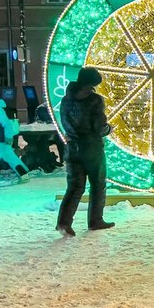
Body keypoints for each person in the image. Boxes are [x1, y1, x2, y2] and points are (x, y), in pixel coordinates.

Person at [56, 67, 114, 237]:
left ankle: (63, 222)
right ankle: (96, 220)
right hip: (92, 149)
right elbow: (99, 127)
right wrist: (108, 129)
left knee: (74, 187)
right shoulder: (94, 100)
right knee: (97, 185)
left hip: (72, 148)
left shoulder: (66, 99)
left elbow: (65, 122)